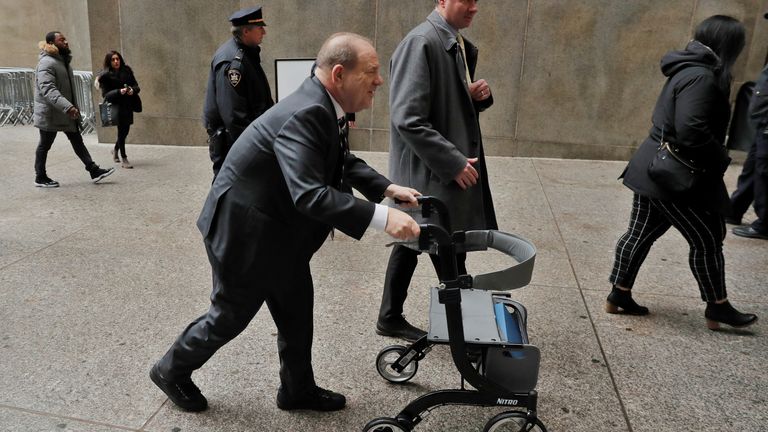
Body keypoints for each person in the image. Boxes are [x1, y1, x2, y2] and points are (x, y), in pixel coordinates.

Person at [150, 33, 421, 413]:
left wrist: (387, 188)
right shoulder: (309, 110)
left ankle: (297, 390)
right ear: (340, 74)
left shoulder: (323, 105)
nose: (379, 81)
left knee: (296, 311)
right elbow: (309, 193)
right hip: (245, 233)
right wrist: (381, 217)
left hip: (277, 230)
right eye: (372, 72)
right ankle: (170, 369)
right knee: (229, 315)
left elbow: (340, 159)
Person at [607, 15, 757, 330]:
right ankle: (717, 306)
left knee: (640, 233)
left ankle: (619, 294)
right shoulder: (702, 76)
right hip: (677, 176)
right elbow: (691, 129)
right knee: (707, 238)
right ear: (728, 45)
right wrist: (721, 157)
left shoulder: (689, 68)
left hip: (656, 168)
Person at [378, 0, 496, 342]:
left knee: (414, 239)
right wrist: (453, 162)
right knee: (449, 249)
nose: (474, 7)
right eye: (466, 0)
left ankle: (390, 315)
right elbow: (408, 118)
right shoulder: (422, 42)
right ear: (442, 0)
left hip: (430, 171)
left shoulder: (449, 40)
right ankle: (465, 334)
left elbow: (436, 104)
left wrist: (471, 96)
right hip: (430, 172)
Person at [33, 31, 114, 187]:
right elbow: (48, 89)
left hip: (65, 111)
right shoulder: (46, 63)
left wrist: (71, 107)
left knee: (77, 140)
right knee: (45, 144)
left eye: (65, 39)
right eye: (61, 40)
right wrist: (68, 106)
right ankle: (40, 177)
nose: (66, 42)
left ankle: (93, 170)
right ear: (51, 43)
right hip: (50, 113)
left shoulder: (62, 61)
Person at [203, 6, 274, 178]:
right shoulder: (232, 63)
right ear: (246, 32)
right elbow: (234, 116)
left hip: (242, 138)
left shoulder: (246, 53)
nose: (263, 32)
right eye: (260, 28)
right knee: (226, 189)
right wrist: (254, 147)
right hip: (233, 142)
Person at [728, 12, 768, 240]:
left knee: (764, 172)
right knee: (753, 168)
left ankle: (765, 223)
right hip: (762, 123)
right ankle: (734, 210)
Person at [96, 50, 142, 169]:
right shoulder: (105, 76)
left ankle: (115, 149)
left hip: (128, 105)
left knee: (125, 131)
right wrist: (118, 91)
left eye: (118, 59)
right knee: (121, 132)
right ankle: (124, 158)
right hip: (116, 106)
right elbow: (105, 95)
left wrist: (132, 90)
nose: (116, 62)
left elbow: (137, 86)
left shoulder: (127, 71)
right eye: (113, 60)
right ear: (109, 62)